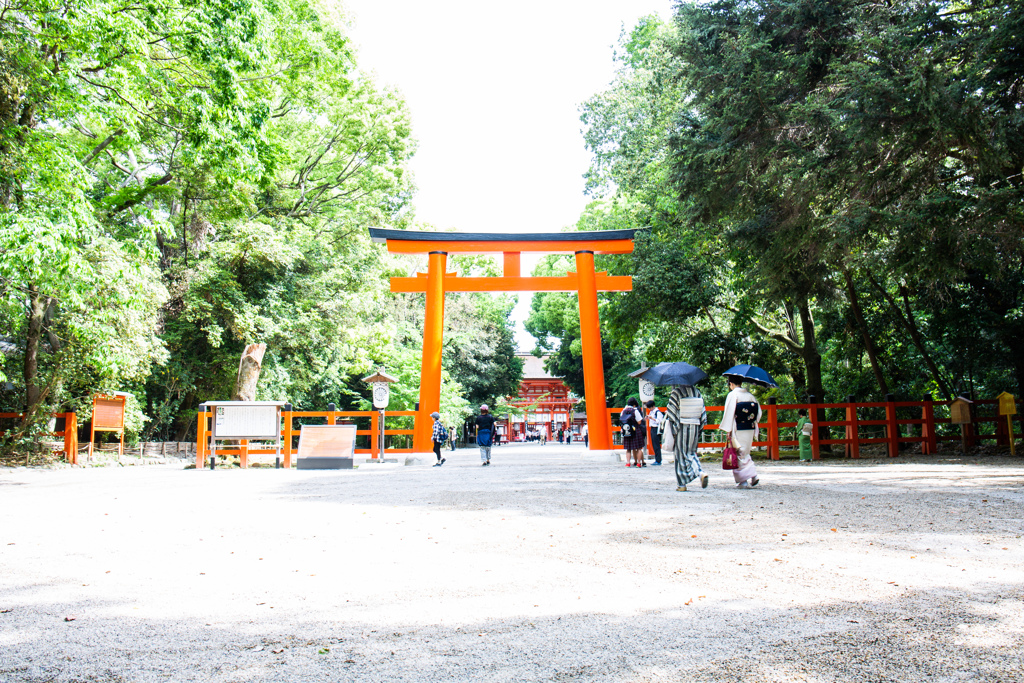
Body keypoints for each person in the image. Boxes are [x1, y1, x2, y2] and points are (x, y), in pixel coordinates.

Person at [663, 385, 709, 491]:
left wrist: (674, 428)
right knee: (691, 452)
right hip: (695, 424)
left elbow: (672, 412)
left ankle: (683, 483)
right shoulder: (696, 392)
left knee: (680, 454)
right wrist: (699, 426)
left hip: (682, 426)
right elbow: (702, 412)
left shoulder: (677, 392)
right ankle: (699, 473)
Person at [719, 375, 762, 487]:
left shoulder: (733, 395)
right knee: (745, 452)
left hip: (738, 427)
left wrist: (728, 429)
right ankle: (753, 476)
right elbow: (758, 413)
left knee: (739, 452)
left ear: (731, 384)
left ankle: (744, 481)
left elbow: (729, 413)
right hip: (749, 427)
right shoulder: (750, 395)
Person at [620, 397, 647, 467]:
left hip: (627, 431)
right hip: (635, 430)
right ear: (634, 404)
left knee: (628, 449)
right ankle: (638, 463)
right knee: (638, 448)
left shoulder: (623, 411)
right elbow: (639, 422)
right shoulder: (635, 411)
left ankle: (628, 463)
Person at [645, 400, 663, 466]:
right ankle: (657, 459)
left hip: (656, 429)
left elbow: (659, 421)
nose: (649, 409)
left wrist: (652, 418)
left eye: (650, 407)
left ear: (653, 406)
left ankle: (658, 460)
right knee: (654, 444)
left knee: (656, 445)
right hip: (652, 428)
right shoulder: (652, 412)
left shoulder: (657, 412)